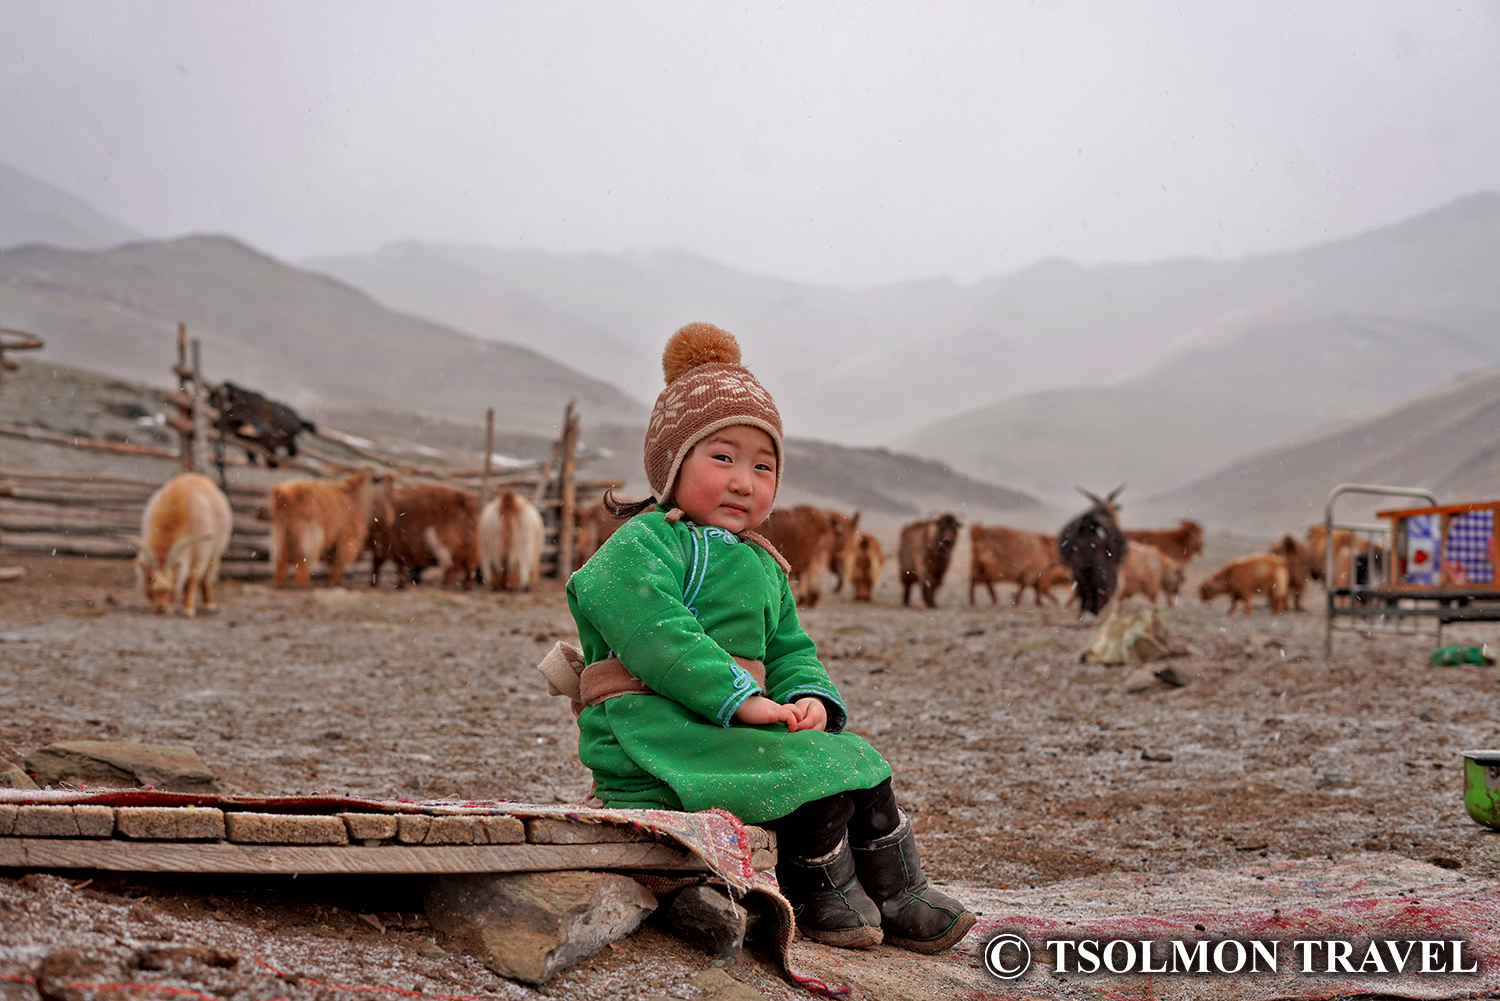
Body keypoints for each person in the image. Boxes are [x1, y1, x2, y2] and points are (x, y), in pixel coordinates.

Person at [553, 322, 974, 953]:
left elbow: (789, 649)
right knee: (802, 776)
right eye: (721, 458)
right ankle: (821, 892)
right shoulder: (639, 546)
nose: (744, 481)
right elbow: (657, 635)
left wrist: (810, 699)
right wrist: (737, 697)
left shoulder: (763, 566)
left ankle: (897, 894)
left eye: (762, 465)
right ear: (671, 464)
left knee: (855, 762)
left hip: (729, 729)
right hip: (655, 733)